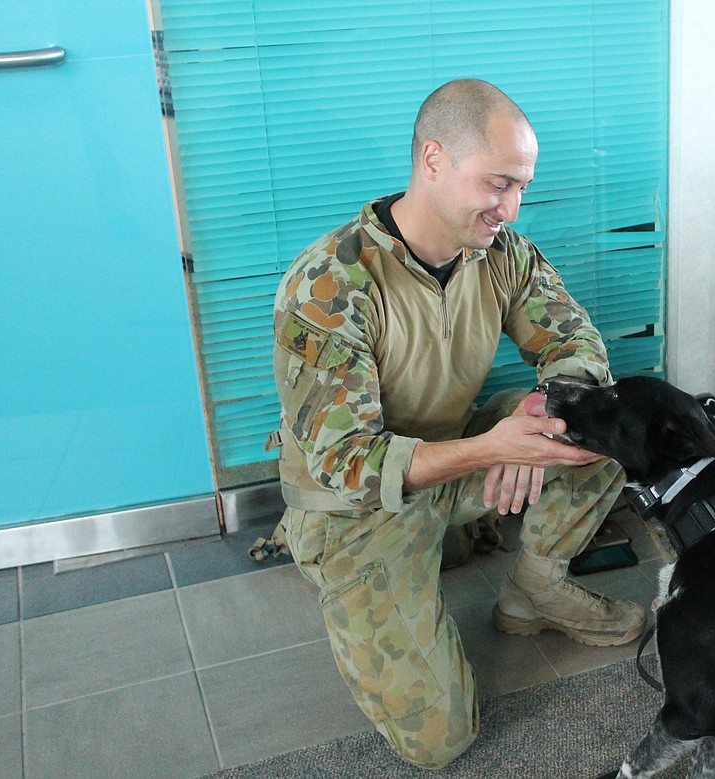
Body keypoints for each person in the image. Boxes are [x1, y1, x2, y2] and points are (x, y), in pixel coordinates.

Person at [267, 78, 646, 769]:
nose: (512, 206)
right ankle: (363, 578)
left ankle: (536, 586)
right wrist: (493, 447)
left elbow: (576, 347)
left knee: (603, 427)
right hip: (355, 509)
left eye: (522, 186)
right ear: (434, 160)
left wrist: (543, 420)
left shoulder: (500, 253)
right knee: (443, 739)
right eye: (498, 183)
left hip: (457, 458)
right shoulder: (330, 284)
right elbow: (349, 462)